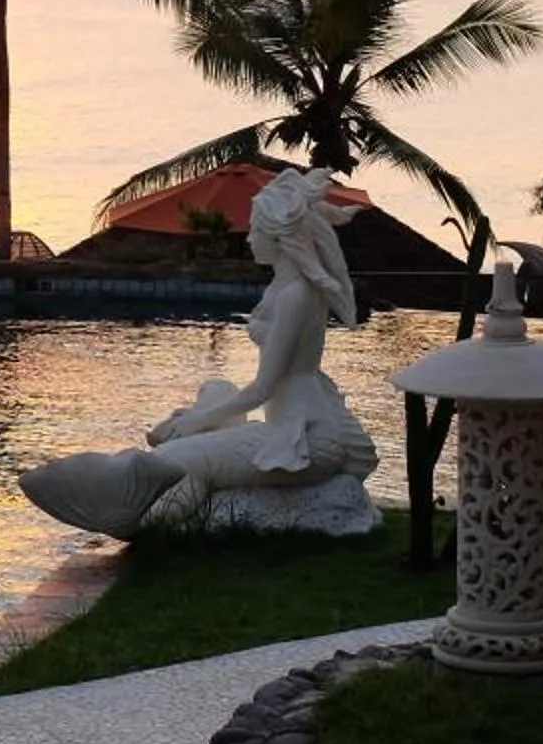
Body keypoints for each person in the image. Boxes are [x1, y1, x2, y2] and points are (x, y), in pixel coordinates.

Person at [20, 167, 379, 538]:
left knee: (189, 460)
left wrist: (198, 421)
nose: (248, 237)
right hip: (288, 421)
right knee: (216, 389)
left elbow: (263, 388)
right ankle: (132, 479)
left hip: (307, 439)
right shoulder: (281, 287)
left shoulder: (296, 296)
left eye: (255, 229)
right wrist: (204, 416)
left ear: (279, 235)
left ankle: (143, 527)